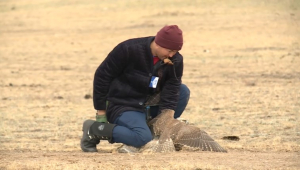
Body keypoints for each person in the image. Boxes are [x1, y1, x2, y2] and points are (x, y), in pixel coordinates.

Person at [80, 25, 190, 152]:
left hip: (147, 103)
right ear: (158, 43)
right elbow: (102, 76)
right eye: (170, 51)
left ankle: (153, 131)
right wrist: (101, 112)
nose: (172, 55)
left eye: (175, 52)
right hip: (123, 105)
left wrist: (166, 119)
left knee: (183, 91)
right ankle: (94, 129)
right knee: (143, 138)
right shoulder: (128, 49)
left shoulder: (175, 60)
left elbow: (172, 87)